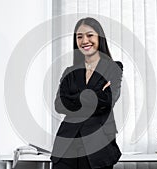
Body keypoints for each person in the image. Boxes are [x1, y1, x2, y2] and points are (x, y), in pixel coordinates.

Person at [50, 17, 123, 169]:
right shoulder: (69, 72)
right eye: (79, 36)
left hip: (98, 145)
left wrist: (74, 98)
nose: (84, 40)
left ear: (99, 38)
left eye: (90, 35)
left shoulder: (113, 68)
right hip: (66, 143)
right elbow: (59, 105)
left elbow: (108, 102)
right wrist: (95, 95)